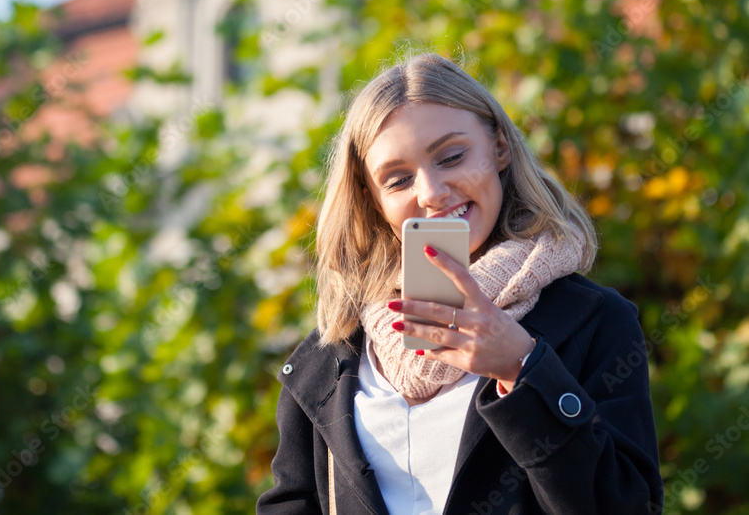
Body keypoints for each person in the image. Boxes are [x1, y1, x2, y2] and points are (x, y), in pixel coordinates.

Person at [257, 53, 663, 514]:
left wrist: (523, 369)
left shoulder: (595, 322)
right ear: (372, 201)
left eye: (452, 156)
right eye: (397, 179)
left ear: (500, 148)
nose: (430, 192)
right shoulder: (331, 356)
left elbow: (628, 506)